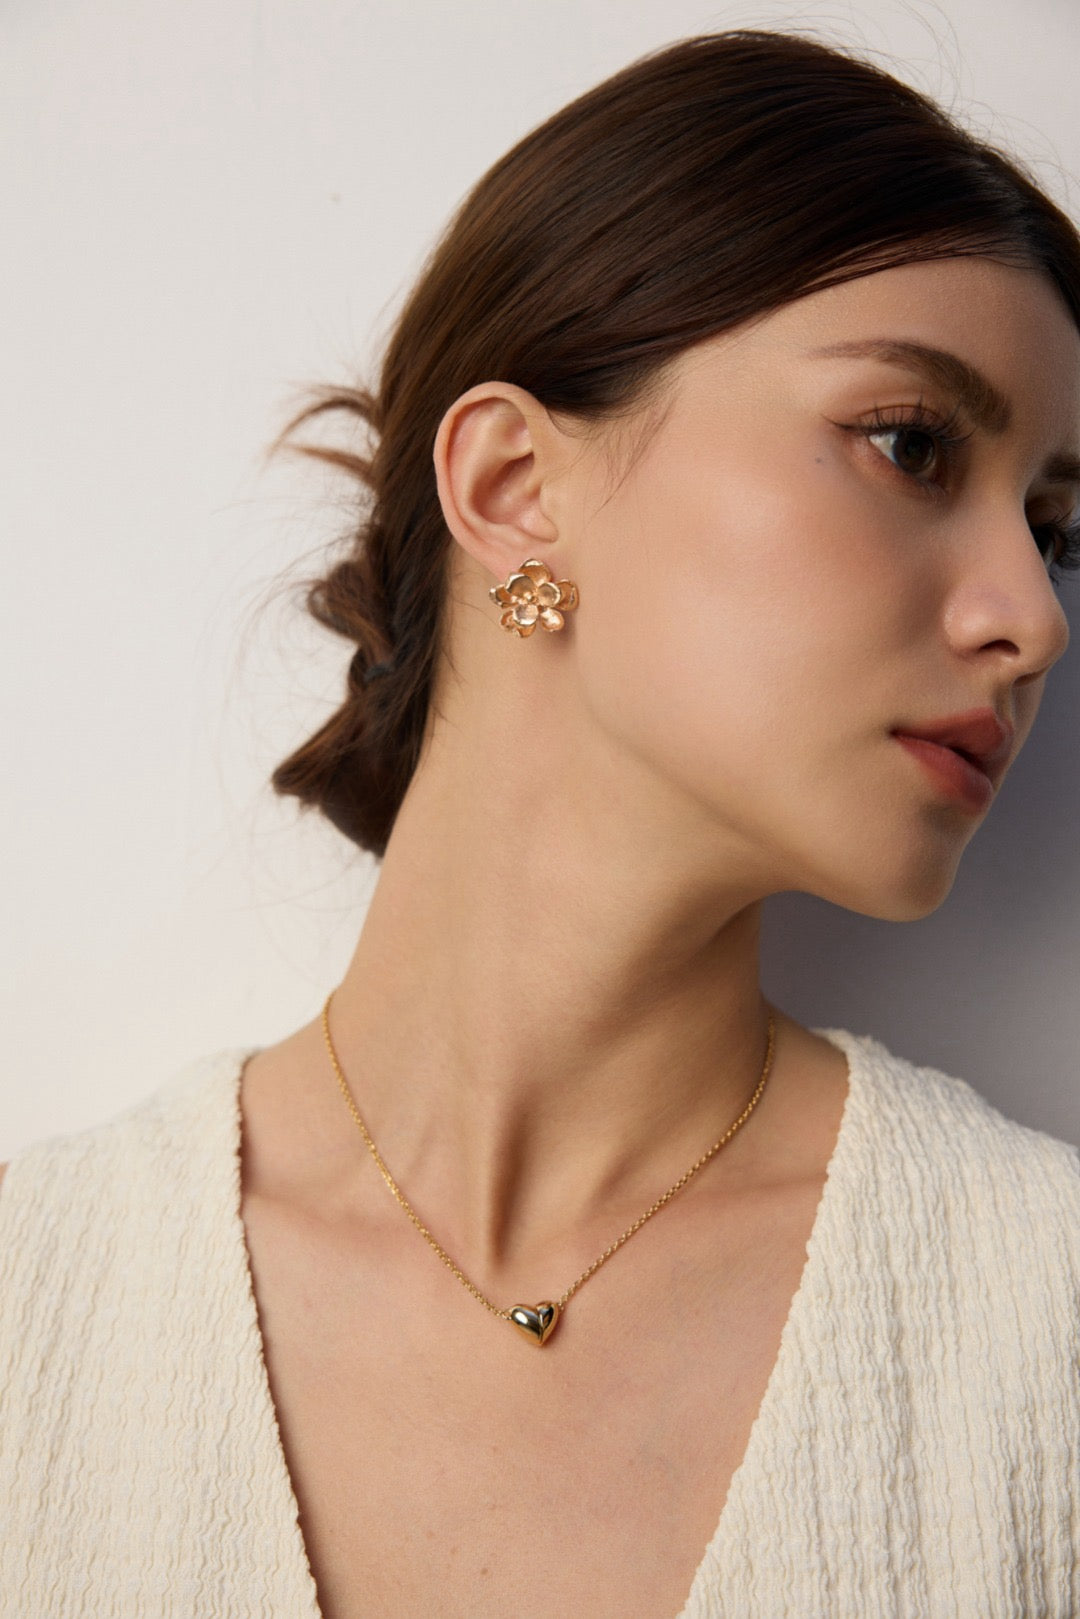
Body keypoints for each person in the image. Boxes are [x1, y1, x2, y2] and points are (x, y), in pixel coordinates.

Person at [1, 26, 1078, 1619]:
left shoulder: (1043, 1327)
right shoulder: (37, 1314)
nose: (1031, 623)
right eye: (911, 444)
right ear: (513, 484)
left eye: (1056, 531)